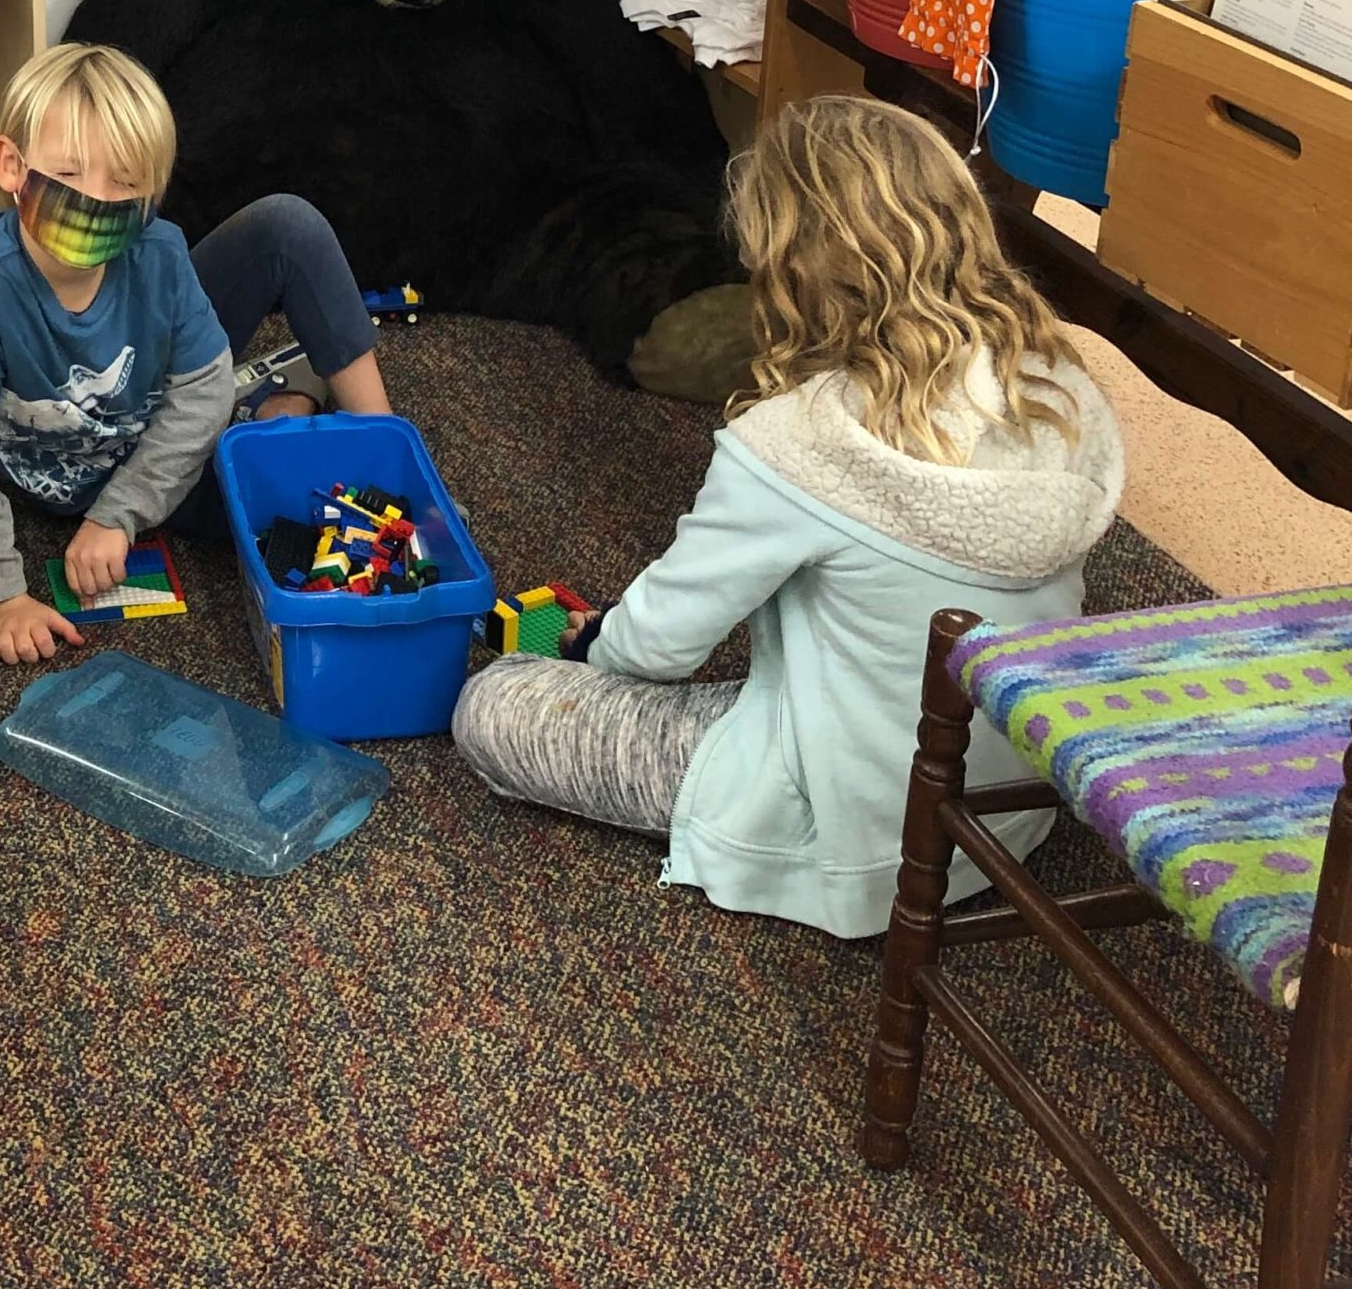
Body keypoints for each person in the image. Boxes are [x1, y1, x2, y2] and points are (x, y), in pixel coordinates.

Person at [451, 97, 1122, 939]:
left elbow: (656, 647)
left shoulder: (798, 441)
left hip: (861, 834)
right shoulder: (1056, 383)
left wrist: (590, 643)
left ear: (793, 268)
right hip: (1006, 807)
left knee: (496, 704)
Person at [0, 41, 391, 664]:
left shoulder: (156, 252)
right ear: (11, 166)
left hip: (156, 433)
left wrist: (121, 513)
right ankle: (279, 408)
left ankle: (386, 460)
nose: (97, 200)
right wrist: (0, 593)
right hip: (84, 468)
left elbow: (199, 394)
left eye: (125, 183)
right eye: (67, 173)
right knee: (290, 523)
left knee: (348, 522)